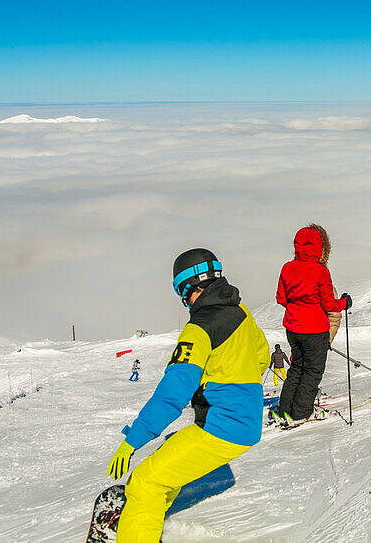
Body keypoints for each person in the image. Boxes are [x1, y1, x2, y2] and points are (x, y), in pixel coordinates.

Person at [107, 248, 269, 542]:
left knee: (145, 483)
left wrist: (133, 441)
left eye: (182, 294)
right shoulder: (241, 312)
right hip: (244, 423)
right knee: (167, 464)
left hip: (220, 429)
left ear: (188, 288)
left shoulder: (199, 328)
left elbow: (172, 395)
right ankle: (146, 521)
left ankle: (141, 522)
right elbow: (262, 358)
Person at [274, 224, 350, 425]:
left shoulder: (287, 268)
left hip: (293, 328)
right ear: (319, 247)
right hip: (315, 330)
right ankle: (301, 413)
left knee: (297, 369)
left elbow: (281, 298)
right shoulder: (320, 272)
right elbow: (329, 304)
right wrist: (345, 302)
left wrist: (297, 305)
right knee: (312, 372)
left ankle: (285, 410)